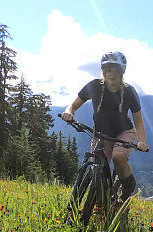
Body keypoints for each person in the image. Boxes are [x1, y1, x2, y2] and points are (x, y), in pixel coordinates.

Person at [60, 51, 148, 201]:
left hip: (124, 132)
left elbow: (138, 120)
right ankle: (100, 204)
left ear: (122, 73)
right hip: (100, 133)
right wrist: (68, 113)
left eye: (115, 71)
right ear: (103, 71)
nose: (111, 74)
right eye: (108, 70)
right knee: (97, 169)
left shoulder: (129, 91)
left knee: (118, 157)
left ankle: (128, 181)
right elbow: (73, 105)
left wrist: (141, 141)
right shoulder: (94, 86)